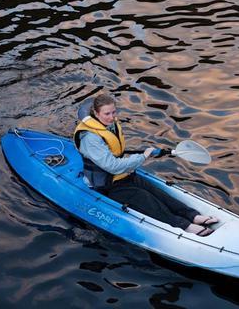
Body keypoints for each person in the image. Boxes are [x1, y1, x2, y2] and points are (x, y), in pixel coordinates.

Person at [74, 93, 218, 236]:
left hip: (122, 176)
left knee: (156, 192)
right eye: (107, 114)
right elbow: (112, 166)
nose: (112, 117)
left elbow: (116, 152)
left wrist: (151, 153)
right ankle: (184, 225)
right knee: (145, 198)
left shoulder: (109, 125)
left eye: (113, 112)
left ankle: (192, 215)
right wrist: (142, 157)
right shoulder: (90, 137)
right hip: (106, 185)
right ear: (96, 113)